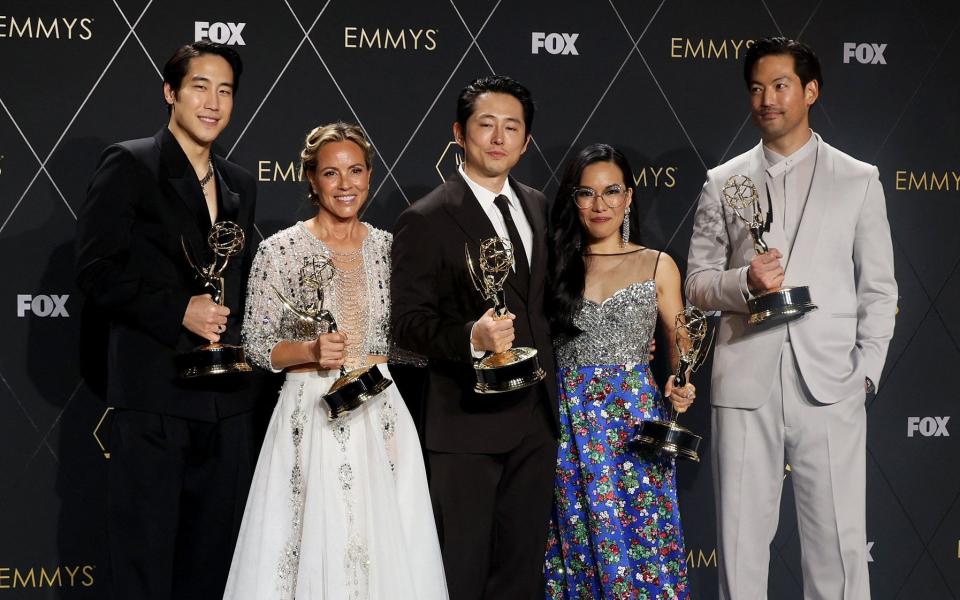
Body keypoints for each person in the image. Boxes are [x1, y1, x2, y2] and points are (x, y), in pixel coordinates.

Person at [685, 37, 897, 599]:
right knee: (739, 549)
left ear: (810, 91)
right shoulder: (722, 181)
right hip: (745, 382)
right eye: (756, 88)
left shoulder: (858, 179)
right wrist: (742, 282)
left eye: (779, 86)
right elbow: (696, 285)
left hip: (830, 386)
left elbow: (879, 289)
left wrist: (866, 372)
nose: (766, 100)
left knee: (838, 549)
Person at [223, 122, 447, 600]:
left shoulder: (391, 249)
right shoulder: (279, 250)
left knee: (388, 547)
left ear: (369, 176)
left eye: (356, 171)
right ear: (311, 179)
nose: (346, 184)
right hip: (309, 414)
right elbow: (259, 346)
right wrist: (308, 351)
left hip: (380, 413)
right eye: (331, 173)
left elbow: (410, 339)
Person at [74, 41, 258, 599]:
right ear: (170, 93)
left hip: (225, 405)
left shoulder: (239, 184)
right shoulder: (130, 164)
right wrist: (178, 309)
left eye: (225, 91)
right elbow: (96, 272)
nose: (213, 102)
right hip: (154, 397)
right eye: (200, 86)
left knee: (211, 567)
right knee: (145, 566)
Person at [391, 75, 558, 599]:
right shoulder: (426, 218)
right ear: (459, 133)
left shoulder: (539, 206)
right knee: (459, 573)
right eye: (486, 125)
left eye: (512, 127)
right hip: (465, 425)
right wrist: (472, 337)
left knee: (521, 572)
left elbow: (549, 303)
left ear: (526, 140)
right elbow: (407, 326)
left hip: (535, 421)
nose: (498, 138)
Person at [542, 143, 693, 599]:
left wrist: (680, 380)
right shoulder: (552, 266)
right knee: (577, 543)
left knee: (645, 538)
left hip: (635, 423)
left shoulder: (657, 264)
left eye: (611, 192)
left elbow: (680, 335)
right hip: (569, 424)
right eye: (586, 194)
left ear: (629, 197)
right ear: (573, 200)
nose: (600, 204)